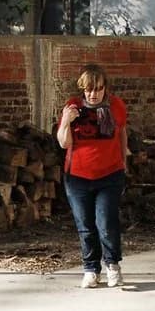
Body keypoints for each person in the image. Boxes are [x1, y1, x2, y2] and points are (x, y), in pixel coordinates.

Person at [56, 63, 129, 288]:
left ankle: (112, 264)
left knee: (106, 222)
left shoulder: (116, 106)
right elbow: (63, 142)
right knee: (85, 224)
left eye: (98, 89)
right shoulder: (73, 107)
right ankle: (90, 268)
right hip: (77, 176)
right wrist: (67, 121)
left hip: (109, 174)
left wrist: (123, 160)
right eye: (88, 89)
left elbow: (122, 132)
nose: (93, 94)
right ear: (82, 89)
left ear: (105, 88)